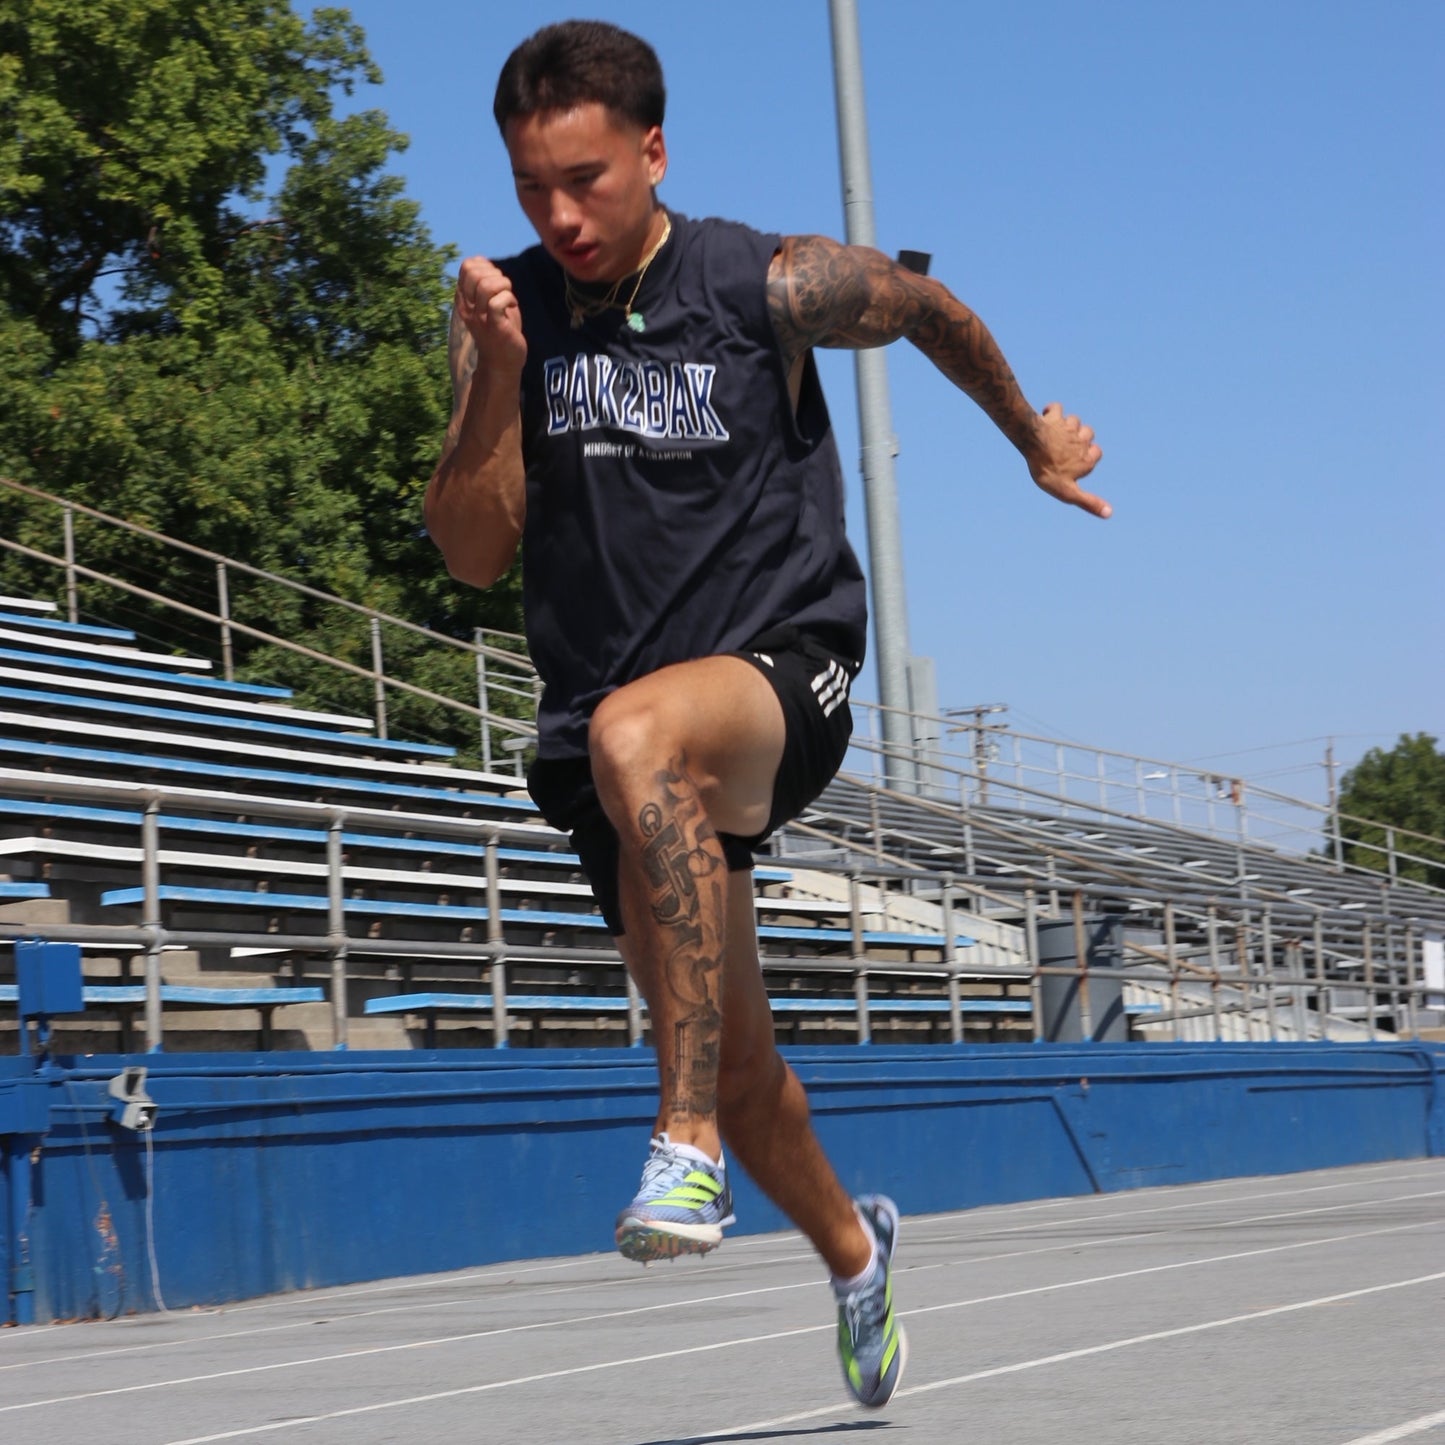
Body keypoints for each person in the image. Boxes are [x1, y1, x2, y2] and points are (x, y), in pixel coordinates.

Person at [425, 19, 1108, 1410]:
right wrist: (495, 369)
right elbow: (472, 553)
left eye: (587, 179)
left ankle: (678, 1141)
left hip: (779, 675)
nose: (558, 216)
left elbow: (926, 310)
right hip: (614, 759)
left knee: (640, 736)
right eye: (528, 187)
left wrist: (1030, 437)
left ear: (653, 151)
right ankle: (856, 1255)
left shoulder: (760, 281)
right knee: (745, 1070)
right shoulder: (503, 313)